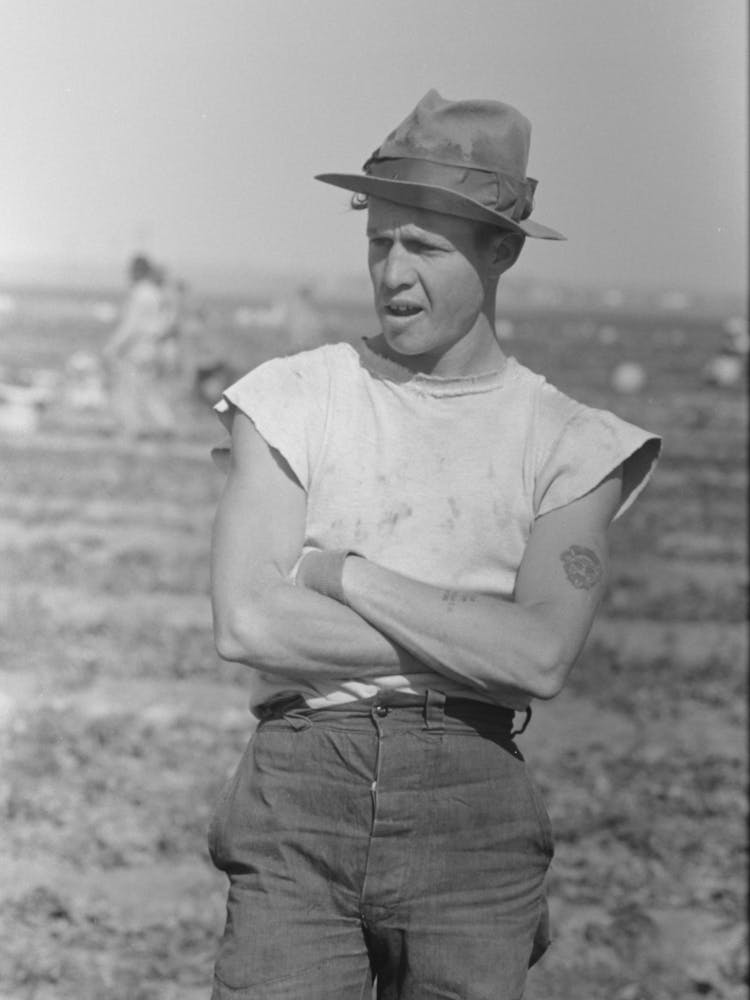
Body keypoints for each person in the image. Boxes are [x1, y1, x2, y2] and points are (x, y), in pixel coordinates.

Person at [207, 90, 661, 1000]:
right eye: (380, 240)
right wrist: (472, 637)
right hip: (300, 790)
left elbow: (538, 662)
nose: (393, 273)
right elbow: (251, 623)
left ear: (504, 251)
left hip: (472, 812)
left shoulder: (575, 444)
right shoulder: (291, 398)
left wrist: (338, 573)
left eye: (426, 246)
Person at [103, 254, 176, 439]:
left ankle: (132, 429)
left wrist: (112, 347)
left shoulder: (140, 294)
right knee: (148, 389)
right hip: (152, 348)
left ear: (136, 271)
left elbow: (131, 326)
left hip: (136, 349)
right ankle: (165, 425)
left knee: (127, 390)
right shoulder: (156, 293)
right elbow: (165, 323)